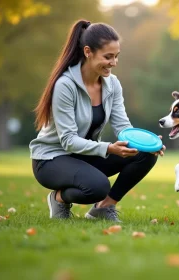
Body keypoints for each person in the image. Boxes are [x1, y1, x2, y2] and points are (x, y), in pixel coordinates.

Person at [29, 20, 165, 222]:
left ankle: (103, 207)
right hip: (51, 159)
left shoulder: (112, 84)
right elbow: (67, 140)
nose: (114, 62)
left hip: (82, 155)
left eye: (116, 56)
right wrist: (109, 148)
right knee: (97, 186)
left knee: (145, 154)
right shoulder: (65, 85)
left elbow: (122, 127)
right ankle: (58, 198)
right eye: (108, 57)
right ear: (87, 52)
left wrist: (147, 144)